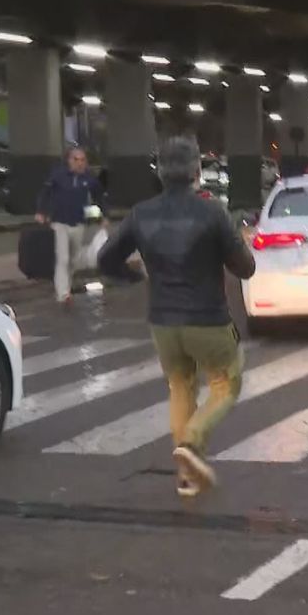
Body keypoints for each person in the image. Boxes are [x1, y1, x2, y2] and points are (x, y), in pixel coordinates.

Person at [98, 136, 255, 498]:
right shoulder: (212, 211)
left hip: (163, 322)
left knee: (180, 385)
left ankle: (187, 476)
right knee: (226, 383)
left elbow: (106, 259)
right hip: (208, 318)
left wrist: (135, 277)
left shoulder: (141, 213)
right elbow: (245, 268)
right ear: (197, 171)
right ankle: (193, 441)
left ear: (160, 173)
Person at [36, 146, 106, 304]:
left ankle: (66, 284)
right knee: (63, 258)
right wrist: (41, 211)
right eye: (76, 159)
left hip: (79, 223)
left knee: (74, 259)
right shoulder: (58, 175)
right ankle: (63, 293)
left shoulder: (89, 178)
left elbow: (99, 197)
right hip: (59, 223)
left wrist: (103, 216)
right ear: (69, 160)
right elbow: (45, 193)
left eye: (82, 160)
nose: (79, 163)